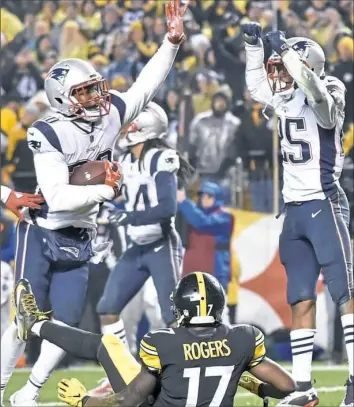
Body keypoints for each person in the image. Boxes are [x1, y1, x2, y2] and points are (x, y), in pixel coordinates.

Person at [0, 1, 188, 405]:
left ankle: (28, 395)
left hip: (81, 234)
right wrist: (107, 191)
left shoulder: (111, 114)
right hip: (43, 229)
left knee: (64, 323)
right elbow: (58, 198)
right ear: (63, 99)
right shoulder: (47, 133)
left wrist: (171, 43)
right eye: (84, 91)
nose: (96, 96)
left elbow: (144, 86)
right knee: (23, 320)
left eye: (95, 87)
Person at [242, 22, 353, 407]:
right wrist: (254, 48)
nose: (278, 76)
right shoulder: (284, 97)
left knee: (345, 293)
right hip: (294, 210)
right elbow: (256, 86)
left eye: (283, 68)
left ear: (304, 65)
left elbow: (318, 96)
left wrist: (288, 53)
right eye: (276, 69)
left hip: (324, 202)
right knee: (300, 298)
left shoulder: (330, 90)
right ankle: (303, 389)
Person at [14, 273, 296, 407]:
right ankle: (35, 324)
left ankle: (36, 324)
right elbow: (287, 386)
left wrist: (84, 401)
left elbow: (128, 400)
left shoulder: (163, 341)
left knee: (109, 345)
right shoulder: (243, 338)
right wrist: (257, 387)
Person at [89, 101, 192, 397]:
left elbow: (167, 208)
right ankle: (125, 372)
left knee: (172, 314)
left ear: (142, 128)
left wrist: (129, 215)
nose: (124, 128)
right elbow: (128, 198)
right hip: (137, 246)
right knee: (107, 309)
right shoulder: (128, 161)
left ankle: (185, 371)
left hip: (161, 244)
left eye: (131, 123)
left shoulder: (162, 157)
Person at [177, 181, 237, 323]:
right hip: (192, 277)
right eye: (202, 195)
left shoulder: (225, 217)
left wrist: (184, 202)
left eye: (209, 196)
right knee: (192, 319)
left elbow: (202, 222)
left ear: (218, 198)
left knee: (219, 316)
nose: (204, 198)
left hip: (215, 275)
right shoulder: (190, 215)